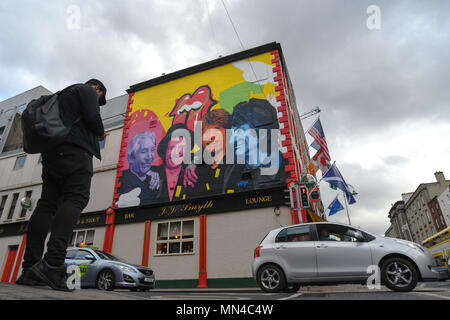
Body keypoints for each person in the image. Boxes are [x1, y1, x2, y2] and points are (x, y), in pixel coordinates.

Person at [16, 79, 107, 291]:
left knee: (47, 204)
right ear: (98, 89)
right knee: (77, 198)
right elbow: (93, 118)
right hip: (76, 151)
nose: (99, 99)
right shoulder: (88, 90)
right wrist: (100, 132)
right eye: (101, 97)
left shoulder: (62, 96)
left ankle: (30, 268)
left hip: (52, 154)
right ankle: (53, 262)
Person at [116, 131, 160, 207]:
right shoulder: (123, 180)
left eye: (152, 150)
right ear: (131, 158)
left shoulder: (156, 174)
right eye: (144, 151)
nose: (150, 156)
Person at [152, 124, 193, 202]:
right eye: (172, 147)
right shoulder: (152, 174)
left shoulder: (192, 174)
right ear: (165, 150)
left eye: (182, 147)